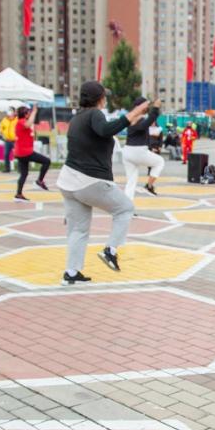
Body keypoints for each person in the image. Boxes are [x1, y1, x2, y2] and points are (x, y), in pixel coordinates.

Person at [57, 81, 149, 285]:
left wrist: (132, 117)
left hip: (68, 182)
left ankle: (71, 273)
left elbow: (103, 132)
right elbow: (106, 130)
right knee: (125, 209)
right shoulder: (94, 115)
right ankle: (111, 250)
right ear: (99, 99)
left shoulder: (77, 119)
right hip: (89, 181)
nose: (105, 99)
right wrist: (132, 113)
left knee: (78, 230)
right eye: (104, 96)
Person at [122, 97, 166, 198]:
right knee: (160, 162)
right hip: (138, 151)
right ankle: (149, 186)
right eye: (146, 105)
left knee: (131, 183)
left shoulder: (131, 116)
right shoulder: (137, 118)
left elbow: (146, 125)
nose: (147, 107)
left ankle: (128, 210)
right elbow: (145, 124)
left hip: (127, 152)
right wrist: (155, 107)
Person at [13, 105, 52, 200]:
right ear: (25, 114)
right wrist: (34, 112)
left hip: (21, 152)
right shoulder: (21, 122)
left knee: (24, 174)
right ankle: (39, 180)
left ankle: (18, 194)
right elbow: (28, 124)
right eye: (28, 113)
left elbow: (30, 124)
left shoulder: (22, 122)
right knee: (46, 161)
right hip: (25, 152)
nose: (30, 114)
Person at [0, 107, 17, 173]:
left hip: (15, 140)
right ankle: (7, 168)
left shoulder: (17, 119)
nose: (10, 112)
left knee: (18, 154)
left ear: (14, 112)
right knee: (6, 154)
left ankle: (20, 168)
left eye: (11, 110)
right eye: (9, 110)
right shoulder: (4, 120)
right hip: (7, 140)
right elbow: (1, 128)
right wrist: (2, 134)